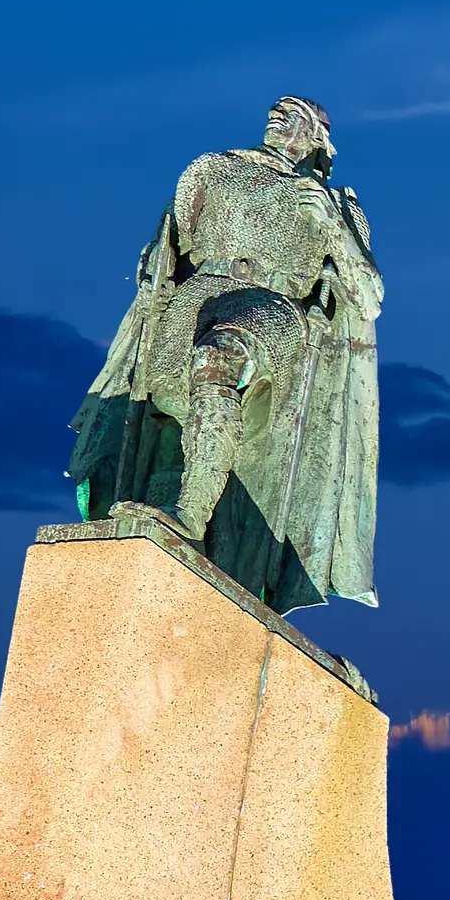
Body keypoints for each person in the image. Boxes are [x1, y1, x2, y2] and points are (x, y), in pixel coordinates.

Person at [68, 98, 383, 612]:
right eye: (277, 110)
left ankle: (189, 513)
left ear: (321, 140)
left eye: (297, 113)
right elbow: (168, 249)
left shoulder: (333, 203)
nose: (279, 116)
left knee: (220, 358)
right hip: (196, 299)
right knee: (164, 410)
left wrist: (332, 227)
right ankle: (185, 528)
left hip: (274, 307)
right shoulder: (212, 169)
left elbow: (368, 297)